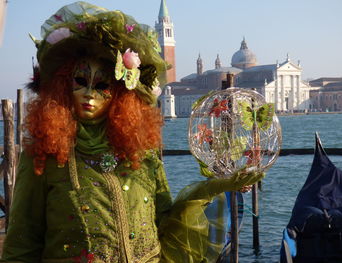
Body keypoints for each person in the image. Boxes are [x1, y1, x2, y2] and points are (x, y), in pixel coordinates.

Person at [1, 2, 263, 262]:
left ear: (119, 93)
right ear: (63, 86)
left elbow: (166, 222)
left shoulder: (142, 152)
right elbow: (22, 243)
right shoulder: (44, 157)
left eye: (102, 85)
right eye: (80, 82)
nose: (90, 94)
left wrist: (211, 188)